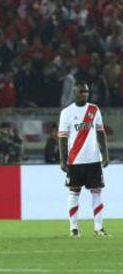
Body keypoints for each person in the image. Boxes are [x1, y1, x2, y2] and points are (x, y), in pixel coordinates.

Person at [58, 81, 110, 238]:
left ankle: (98, 228)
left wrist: (105, 155)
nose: (84, 94)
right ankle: (73, 228)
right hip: (75, 160)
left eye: (86, 92)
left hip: (94, 159)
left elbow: (101, 133)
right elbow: (62, 137)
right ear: (74, 93)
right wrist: (62, 159)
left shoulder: (94, 110)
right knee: (74, 193)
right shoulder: (66, 113)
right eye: (81, 92)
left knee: (97, 193)